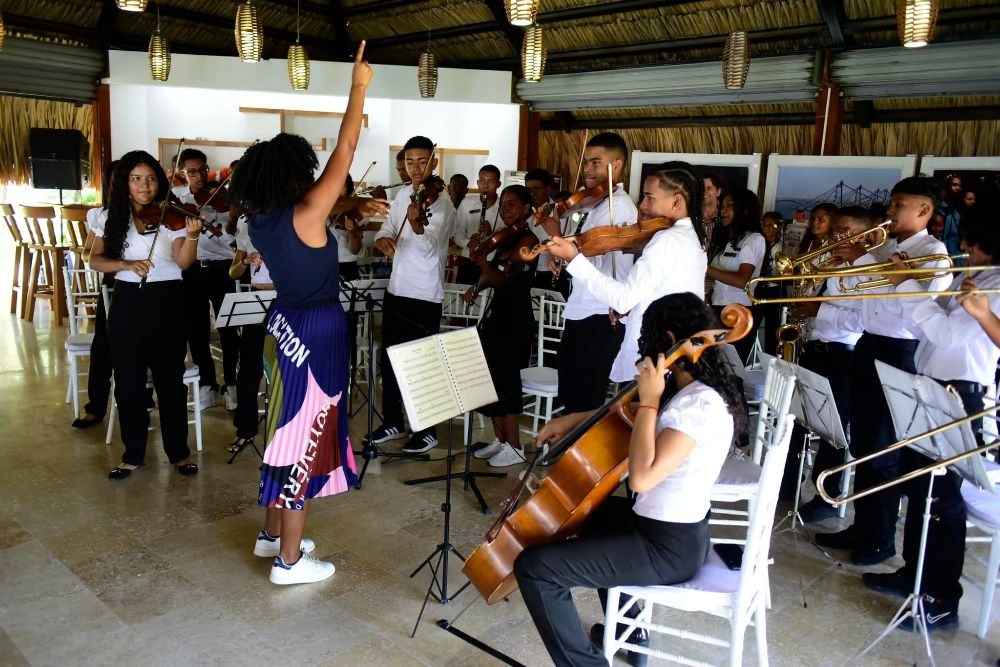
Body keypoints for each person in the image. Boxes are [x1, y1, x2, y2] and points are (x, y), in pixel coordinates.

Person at [513, 293, 747, 667]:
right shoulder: (691, 390)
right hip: (666, 529)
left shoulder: (697, 405)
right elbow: (627, 411)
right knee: (592, 515)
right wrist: (572, 419)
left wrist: (652, 400)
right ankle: (631, 631)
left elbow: (641, 479)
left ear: (668, 339)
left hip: (668, 548)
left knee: (535, 568)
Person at [227, 42, 381, 585]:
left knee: (282, 429)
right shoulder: (307, 212)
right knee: (307, 437)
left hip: (283, 325)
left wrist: (350, 204)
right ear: (297, 174)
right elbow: (345, 146)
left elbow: (325, 195)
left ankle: (273, 536)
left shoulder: (262, 220)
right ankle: (290, 562)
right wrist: (358, 84)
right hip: (317, 330)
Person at [860, 201, 1000, 632]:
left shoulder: (995, 285)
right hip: (934, 387)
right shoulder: (977, 276)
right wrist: (916, 288)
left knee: (943, 501)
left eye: (972, 245)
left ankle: (942, 598)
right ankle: (913, 576)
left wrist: (906, 286)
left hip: (961, 397)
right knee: (922, 492)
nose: (966, 251)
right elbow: (929, 329)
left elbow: (945, 334)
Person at [816, 175, 952, 566]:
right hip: (868, 345)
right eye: (891, 204)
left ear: (924, 210)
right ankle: (863, 525)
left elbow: (915, 311)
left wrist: (874, 266)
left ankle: (879, 539)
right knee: (864, 442)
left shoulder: (933, 253)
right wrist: (852, 261)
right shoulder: (888, 246)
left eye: (898, 204)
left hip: (900, 351)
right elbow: (862, 296)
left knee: (883, 447)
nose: (889, 211)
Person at [87, 151, 201, 480]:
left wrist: (192, 235)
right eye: (136, 178)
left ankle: (179, 452)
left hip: (167, 299)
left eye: (150, 178)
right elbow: (95, 259)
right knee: (128, 380)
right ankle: (133, 453)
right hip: (126, 301)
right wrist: (124, 264)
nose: (144, 185)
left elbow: (183, 263)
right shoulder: (106, 216)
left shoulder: (174, 215)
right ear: (125, 182)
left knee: (170, 379)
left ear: (159, 181)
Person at [545, 161, 706, 388]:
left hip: (658, 357)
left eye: (650, 197)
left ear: (677, 201)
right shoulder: (693, 239)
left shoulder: (667, 239)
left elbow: (622, 298)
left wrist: (574, 259)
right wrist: (631, 309)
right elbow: (666, 291)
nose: (642, 205)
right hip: (676, 351)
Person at [366, 135, 457, 454]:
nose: (416, 168)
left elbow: (431, 249)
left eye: (422, 161)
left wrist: (418, 228)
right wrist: (383, 240)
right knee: (390, 360)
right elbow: (387, 229)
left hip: (424, 295)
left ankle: (427, 429)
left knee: (421, 365)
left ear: (433, 162)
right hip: (397, 289)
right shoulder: (405, 194)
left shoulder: (442, 202)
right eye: (409, 162)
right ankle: (393, 421)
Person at [537, 132, 636, 415]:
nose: (589, 169)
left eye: (596, 162)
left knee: (584, 403)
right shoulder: (595, 203)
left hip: (599, 315)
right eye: (588, 163)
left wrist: (554, 235)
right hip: (582, 310)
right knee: (571, 395)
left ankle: (575, 456)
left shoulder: (618, 207)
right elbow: (582, 254)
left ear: (616, 166)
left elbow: (590, 262)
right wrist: (561, 256)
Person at [782, 206, 871, 519]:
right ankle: (786, 484)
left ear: (866, 235)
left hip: (842, 355)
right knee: (799, 418)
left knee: (833, 431)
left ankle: (827, 498)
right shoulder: (830, 260)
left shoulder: (869, 270)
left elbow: (863, 321)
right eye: (835, 230)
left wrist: (817, 310)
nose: (837, 236)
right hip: (816, 346)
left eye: (845, 231)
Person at [463, 185, 539, 467]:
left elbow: (505, 281)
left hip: (515, 321)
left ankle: (516, 446)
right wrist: (476, 286)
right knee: (490, 379)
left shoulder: (528, 240)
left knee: (507, 384)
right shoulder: (505, 239)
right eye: (503, 205)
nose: (505, 210)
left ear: (526, 209)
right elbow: (493, 274)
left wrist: (482, 261)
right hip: (498, 317)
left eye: (511, 205)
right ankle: (500, 440)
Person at [173, 148, 240, 411]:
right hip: (191, 269)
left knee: (228, 330)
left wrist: (233, 217)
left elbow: (232, 238)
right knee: (196, 330)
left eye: (203, 169)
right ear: (182, 173)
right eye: (192, 171)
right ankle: (207, 385)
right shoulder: (176, 198)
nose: (199, 176)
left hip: (222, 267)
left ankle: (232, 385)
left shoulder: (223, 197)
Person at [72, 160, 118, 429]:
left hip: (149, 287)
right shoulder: (101, 215)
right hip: (113, 285)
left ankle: (144, 400)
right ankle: (95, 407)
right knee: (102, 345)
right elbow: (88, 253)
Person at [225, 213, 273, 456]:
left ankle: (289, 428)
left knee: (289, 366)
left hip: (288, 297)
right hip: (258, 299)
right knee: (248, 368)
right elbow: (233, 272)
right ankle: (245, 429)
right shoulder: (245, 223)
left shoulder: (289, 216)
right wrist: (245, 261)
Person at [705, 188, 767, 363]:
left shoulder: (753, 239)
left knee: (730, 369)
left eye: (730, 206)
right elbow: (717, 280)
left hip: (738, 313)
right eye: (722, 206)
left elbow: (743, 281)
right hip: (717, 308)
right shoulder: (726, 240)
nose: (723, 210)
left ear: (745, 210)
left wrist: (705, 268)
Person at [453, 164, 502, 285]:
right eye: (482, 181)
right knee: (464, 296)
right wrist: (470, 243)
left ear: (498, 184)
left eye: (490, 181)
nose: (485, 185)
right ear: (478, 182)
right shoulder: (467, 203)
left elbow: (506, 239)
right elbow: (457, 233)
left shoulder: (504, 206)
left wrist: (491, 233)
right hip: (468, 260)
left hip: (492, 262)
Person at [524, 167, 567, 296]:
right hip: (528, 274)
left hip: (551, 274)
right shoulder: (526, 212)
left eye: (536, 189)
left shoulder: (561, 212)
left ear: (548, 189)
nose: (532, 193)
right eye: (528, 189)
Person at [756, 210, 784, 357]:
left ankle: (770, 362)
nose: (766, 228)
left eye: (770, 225)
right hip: (758, 290)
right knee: (752, 326)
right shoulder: (758, 245)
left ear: (779, 227)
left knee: (773, 331)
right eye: (763, 225)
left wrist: (766, 277)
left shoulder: (783, 249)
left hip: (775, 292)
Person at [701, 172, 723, 298]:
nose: (705, 191)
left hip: (718, 290)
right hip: (691, 284)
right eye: (702, 188)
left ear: (718, 192)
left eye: (709, 188)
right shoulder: (690, 217)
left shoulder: (726, 219)